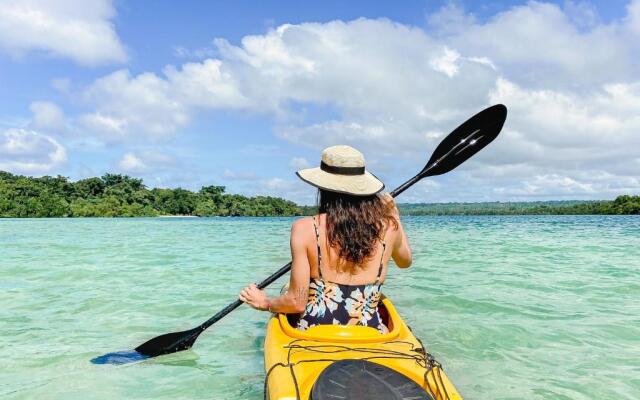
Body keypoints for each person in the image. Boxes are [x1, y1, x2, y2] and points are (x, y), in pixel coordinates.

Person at [239, 145, 412, 333]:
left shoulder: (304, 228)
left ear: (323, 187)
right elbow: (405, 261)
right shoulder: (389, 226)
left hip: (315, 330)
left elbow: (296, 302)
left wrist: (264, 302)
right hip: (370, 330)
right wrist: (394, 215)